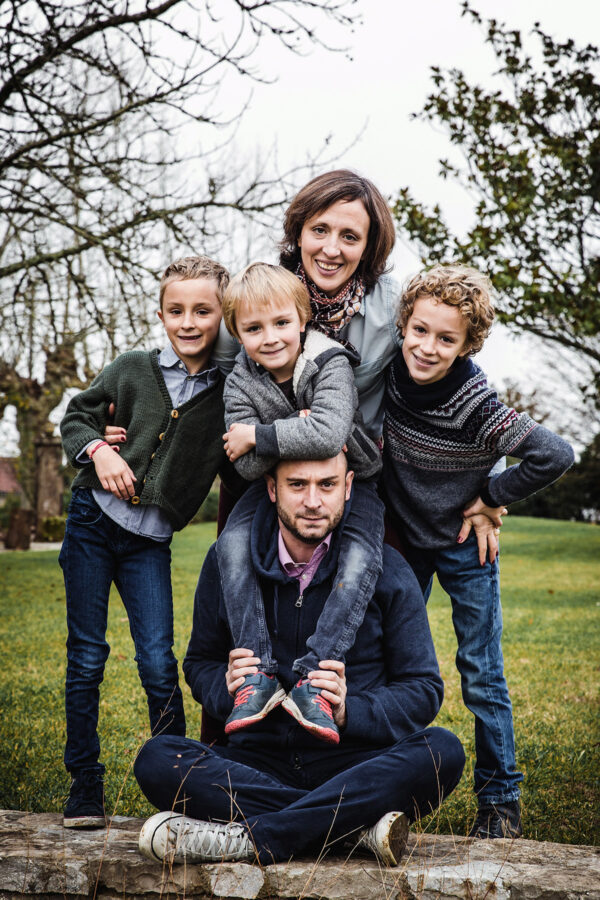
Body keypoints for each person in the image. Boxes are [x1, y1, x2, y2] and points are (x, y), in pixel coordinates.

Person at [134, 453, 465, 867]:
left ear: (347, 487)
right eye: (297, 485)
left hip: (353, 763)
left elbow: (423, 689)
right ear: (272, 489)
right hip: (257, 763)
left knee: (442, 752)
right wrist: (226, 685)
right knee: (158, 758)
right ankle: (350, 827)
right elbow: (200, 661)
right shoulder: (226, 561)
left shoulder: (385, 568)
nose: (312, 501)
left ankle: (260, 835)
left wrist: (349, 709)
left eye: (326, 485)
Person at [382, 264, 575, 840]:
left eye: (447, 339)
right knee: (390, 666)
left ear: (469, 345)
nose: (427, 347)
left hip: (466, 543)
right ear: (403, 325)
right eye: (419, 330)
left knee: (481, 673)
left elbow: (554, 454)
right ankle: (381, 786)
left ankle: (500, 801)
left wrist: (490, 496)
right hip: (405, 540)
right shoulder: (386, 374)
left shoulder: (475, 401)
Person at [59, 255, 237, 829]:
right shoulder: (133, 367)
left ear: (222, 316)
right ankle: (85, 784)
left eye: (203, 311)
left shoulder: (229, 392)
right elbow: (78, 417)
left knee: (158, 662)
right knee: (87, 658)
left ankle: (181, 785)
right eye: (176, 310)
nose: (188, 321)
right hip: (92, 522)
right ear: (161, 314)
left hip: (148, 543)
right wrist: (100, 449)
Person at [217, 262, 384, 744]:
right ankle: (256, 675)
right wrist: (298, 428)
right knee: (230, 548)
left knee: (358, 560)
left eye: (281, 323)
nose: (269, 338)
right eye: (253, 328)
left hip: (354, 482)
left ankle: (314, 680)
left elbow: (331, 435)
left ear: (303, 318)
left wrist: (260, 435)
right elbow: (243, 467)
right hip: (270, 490)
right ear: (238, 333)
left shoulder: (329, 361)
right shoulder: (240, 381)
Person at [212, 169, 401, 440]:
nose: (331, 249)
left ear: (367, 248)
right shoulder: (253, 298)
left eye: (349, 236)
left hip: (357, 468)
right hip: (268, 460)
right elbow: (222, 379)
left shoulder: (390, 306)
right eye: (320, 230)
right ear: (299, 234)